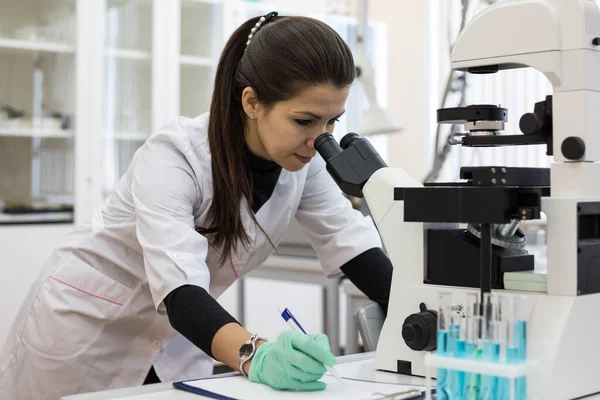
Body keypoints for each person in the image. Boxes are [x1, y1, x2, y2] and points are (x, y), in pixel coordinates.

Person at [0, 11, 394, 399]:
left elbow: (354, 247)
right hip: (87, 329)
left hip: (176, 341)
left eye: (332, 123)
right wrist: (257, 355)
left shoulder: (303, 166)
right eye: (305, 121)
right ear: (252, 102)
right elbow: (181, 291)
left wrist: (427, 312)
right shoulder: (174, 156)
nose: (319, 139)